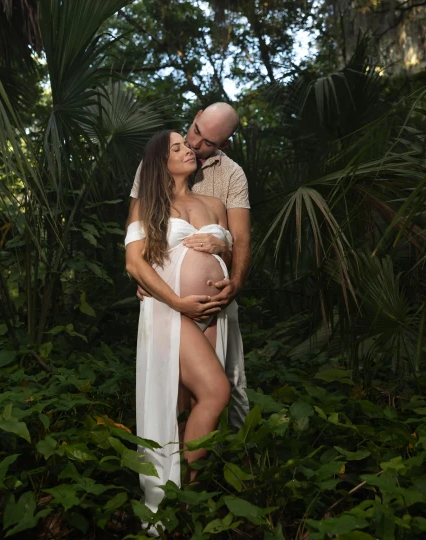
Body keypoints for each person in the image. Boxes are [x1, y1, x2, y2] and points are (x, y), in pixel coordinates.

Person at [125, 130, 237, 522]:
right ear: (160, 162)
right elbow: (134, 263)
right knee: (216, 392)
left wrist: (223, 254)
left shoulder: (214, 202)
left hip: (215, 312)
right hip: (171, 309)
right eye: (176, 148)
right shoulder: (150, 205)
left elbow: (233, 248)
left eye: (187, 145)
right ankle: (184, 496)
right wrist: (173, 300)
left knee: (188, 405)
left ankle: (188, 502)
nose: (187, 149)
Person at [126, 103, 251, 432]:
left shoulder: (229, 178)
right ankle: (175, 476)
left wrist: (232, 282)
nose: (194, 145)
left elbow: (239, 239)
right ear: (194, 117)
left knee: (223, 387)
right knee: (183, 393)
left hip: (217, 305)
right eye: (193, 133)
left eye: (207, 142)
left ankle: (213, 470)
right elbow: (135, 242)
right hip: (170, 304)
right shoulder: (154, 170)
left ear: (223, 145)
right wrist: (142, 278)